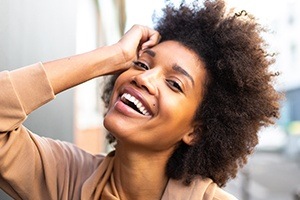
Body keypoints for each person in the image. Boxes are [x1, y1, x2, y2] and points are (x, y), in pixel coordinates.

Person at [0, 0, 282, 199]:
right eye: (142, 64)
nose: (143, 78)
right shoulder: (66, 175)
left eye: (174, 83)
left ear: (194, 131)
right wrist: (111, 56)